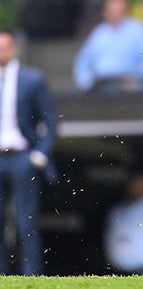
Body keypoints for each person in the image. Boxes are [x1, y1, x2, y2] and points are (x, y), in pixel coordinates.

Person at [0, 28, 58, 275]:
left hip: (22, 157)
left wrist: (40, 153)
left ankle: (32, 275)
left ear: (13, 49)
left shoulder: (31, 79)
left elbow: (51, 120)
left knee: (26, 222)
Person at [74, 0, 143, 94]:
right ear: (105, 12)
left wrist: (137, 77)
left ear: (125, 10)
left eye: (118, 11)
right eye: (111, 11)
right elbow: (83, 62)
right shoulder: (99, 33)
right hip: (101, 87)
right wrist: (86, 82)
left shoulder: (139, 30)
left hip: (130, 89)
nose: (114, 14)